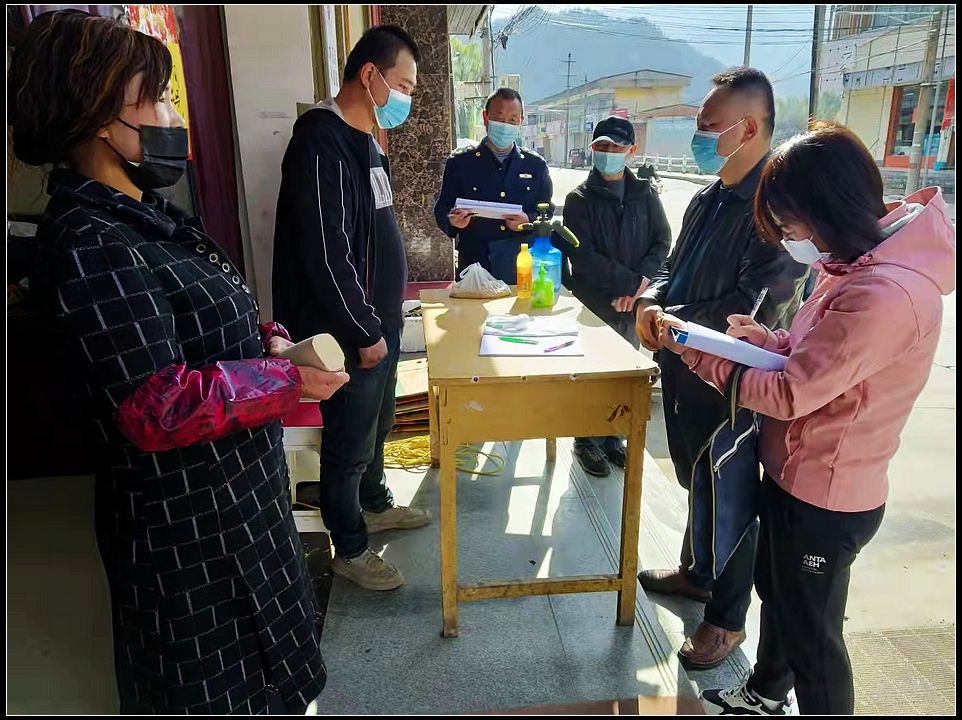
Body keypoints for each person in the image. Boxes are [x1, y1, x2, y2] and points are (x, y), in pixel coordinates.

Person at [8, 10, 348, 714]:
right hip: (189, 540)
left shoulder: (147, 215)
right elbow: (155, 405)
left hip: (240, 507)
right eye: (157, 98)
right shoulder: (92, 241)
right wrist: (284, 379)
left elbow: (201, 322)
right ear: (103, 119)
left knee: (274, 689)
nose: (172, 116)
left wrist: (268, 342)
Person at [658, 122, 954, 715]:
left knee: (814, 638)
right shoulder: (855, 266)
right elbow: (813, 357)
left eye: (788, 226)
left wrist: (700, 354)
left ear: (824, 209)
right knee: (783, 598)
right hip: (796, 475)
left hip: (826, 495)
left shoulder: (882, 293)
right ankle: (766, 693)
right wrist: (763, 340)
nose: (789, 240)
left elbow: (793, 394)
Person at [633, 68, 809, 671]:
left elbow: (751, 312)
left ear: (749, 128)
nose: (699, 138)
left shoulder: (776, 211)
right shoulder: (708, 199)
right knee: (695, 478)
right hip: (682, 366)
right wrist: (652, 300)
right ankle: (696, 573)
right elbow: (671, 267)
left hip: (731, 383)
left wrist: (670, 320)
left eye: (709, 127)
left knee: (731, 493)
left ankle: (726, 619)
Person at [272, 25, 431, 593]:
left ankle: (374, 502)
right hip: (346, 329)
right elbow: (325, 251)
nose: (407, 99)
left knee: (378, 424)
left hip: (378, 319)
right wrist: (363, 328)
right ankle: (351, 547)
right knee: (347, 442)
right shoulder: (320, 141)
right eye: (403, 86)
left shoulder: (367, 141)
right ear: (370, 75)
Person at [561, 116, 671, 477]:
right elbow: (583, 256)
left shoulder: (645, 193)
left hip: (632, 305)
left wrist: (640, 287)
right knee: (592, 376)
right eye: (602, 146)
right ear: (593, 149)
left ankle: (612, 438)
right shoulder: (579, 199)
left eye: (616, 147)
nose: (608, 153)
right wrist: (629, 285)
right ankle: (585, 441)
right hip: (596, 304)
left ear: (631, 151)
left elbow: (662, 241)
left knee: (624, 375)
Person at [434, 88, 554, 283]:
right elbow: (442, 208)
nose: (505, 125)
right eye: (499, 118)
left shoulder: (535, 165)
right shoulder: (461, 162)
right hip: (475, 262)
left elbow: (546, 211)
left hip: (519, 263)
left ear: (521, 121)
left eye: (512, 119)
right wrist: (452, 220)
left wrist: (528, 220)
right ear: (486, 118)